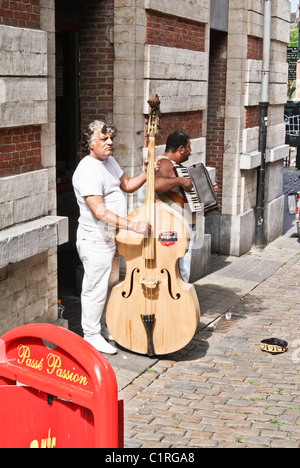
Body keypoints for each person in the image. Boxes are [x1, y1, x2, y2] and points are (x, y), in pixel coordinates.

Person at [72, 120, 154, 354]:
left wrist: (148, 172)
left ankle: (103, 326)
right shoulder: (87, 169)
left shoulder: (109, 161)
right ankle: (90, 334)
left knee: (109, 284)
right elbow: (100, 212)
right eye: (104, 139)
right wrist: (133, 226)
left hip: (110, 237)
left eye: (111, 139)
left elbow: (127, 185)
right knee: (95, 287)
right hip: (94, 238)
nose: (110, 143)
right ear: (90, 143)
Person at [155, 131, 217, 282]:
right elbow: (156, 185)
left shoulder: (177, 167)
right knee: (180, 266)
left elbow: (186, 195)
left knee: (183, 266)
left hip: (184, 224)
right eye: (189, 147)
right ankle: (180, 300)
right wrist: (179, 181)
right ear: (181, 148)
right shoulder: (163, 163)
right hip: (174, 226)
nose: (191, 151)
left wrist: (208, 191)